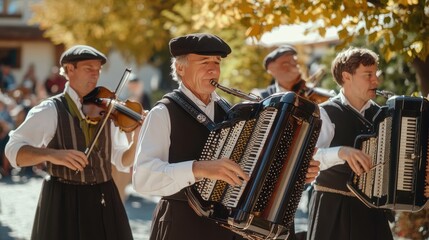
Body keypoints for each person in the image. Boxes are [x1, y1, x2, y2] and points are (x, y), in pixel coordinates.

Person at [132, 33, 320, 240]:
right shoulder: (163, 113)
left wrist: (294, 171)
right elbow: (143, 178)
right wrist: (199, 169)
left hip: (227, 230)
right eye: (204, 62)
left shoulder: (230, 111)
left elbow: (252, 169)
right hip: (182, 225)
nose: (213, 69)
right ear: (180, 68)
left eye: (217, 62)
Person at [5, 45, 140, 240]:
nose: (95, 76)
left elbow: (122, 160)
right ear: (69, 70)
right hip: (62, 199)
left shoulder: (108, 109)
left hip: (104, 197)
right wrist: (51, 154)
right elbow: (12, 150)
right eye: (88, 69)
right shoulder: (49, 110)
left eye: (98, 71)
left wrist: (135, 141)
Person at [307, 47, 393, 240]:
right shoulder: (324, 112)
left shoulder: (383, 116)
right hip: (333, 211)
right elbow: (308, 157)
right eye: (368, 75)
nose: (376, 81)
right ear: (347, 76)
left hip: (373, 212)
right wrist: (341, 152)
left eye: (375, 74)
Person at [254, 44, 333, 104]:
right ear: (271, 70)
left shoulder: (317, 95)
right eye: (285, 64)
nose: (294, 67)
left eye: (294, 62)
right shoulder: (262, 98)